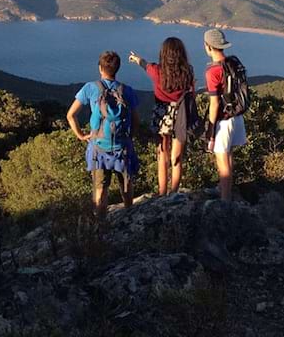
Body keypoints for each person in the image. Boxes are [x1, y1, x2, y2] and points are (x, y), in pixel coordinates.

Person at [66, 50, 140, 217]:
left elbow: (70, 115)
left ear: (100, 68)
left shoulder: (90, 88)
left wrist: (81, 135)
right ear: (118, 69)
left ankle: (100, 226)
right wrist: (129, 138)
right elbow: (135, 120)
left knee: (100, 189)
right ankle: (129, 216)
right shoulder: (127, 91)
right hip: (122, 147)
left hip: (99, 148)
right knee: (126, 187)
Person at [129, 37, 196, 196]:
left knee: (162, 154)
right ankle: (174, 192)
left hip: (162, 114)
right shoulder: (188, 71)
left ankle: (162, 193)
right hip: (182, 114)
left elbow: (145, 65)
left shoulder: (157, 71)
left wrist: (136, 58)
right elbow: (191, 93)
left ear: (164, 54)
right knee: (177, 157)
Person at [203, 29, 248, 201]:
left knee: (222, 163)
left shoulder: (212, 71)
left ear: (208, 46)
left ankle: (225, 200)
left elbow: (214, 104)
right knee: (229, 156)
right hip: (237, 117)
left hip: (223, 121)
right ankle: (226, 191)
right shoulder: (233, 62)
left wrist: (210, 129)